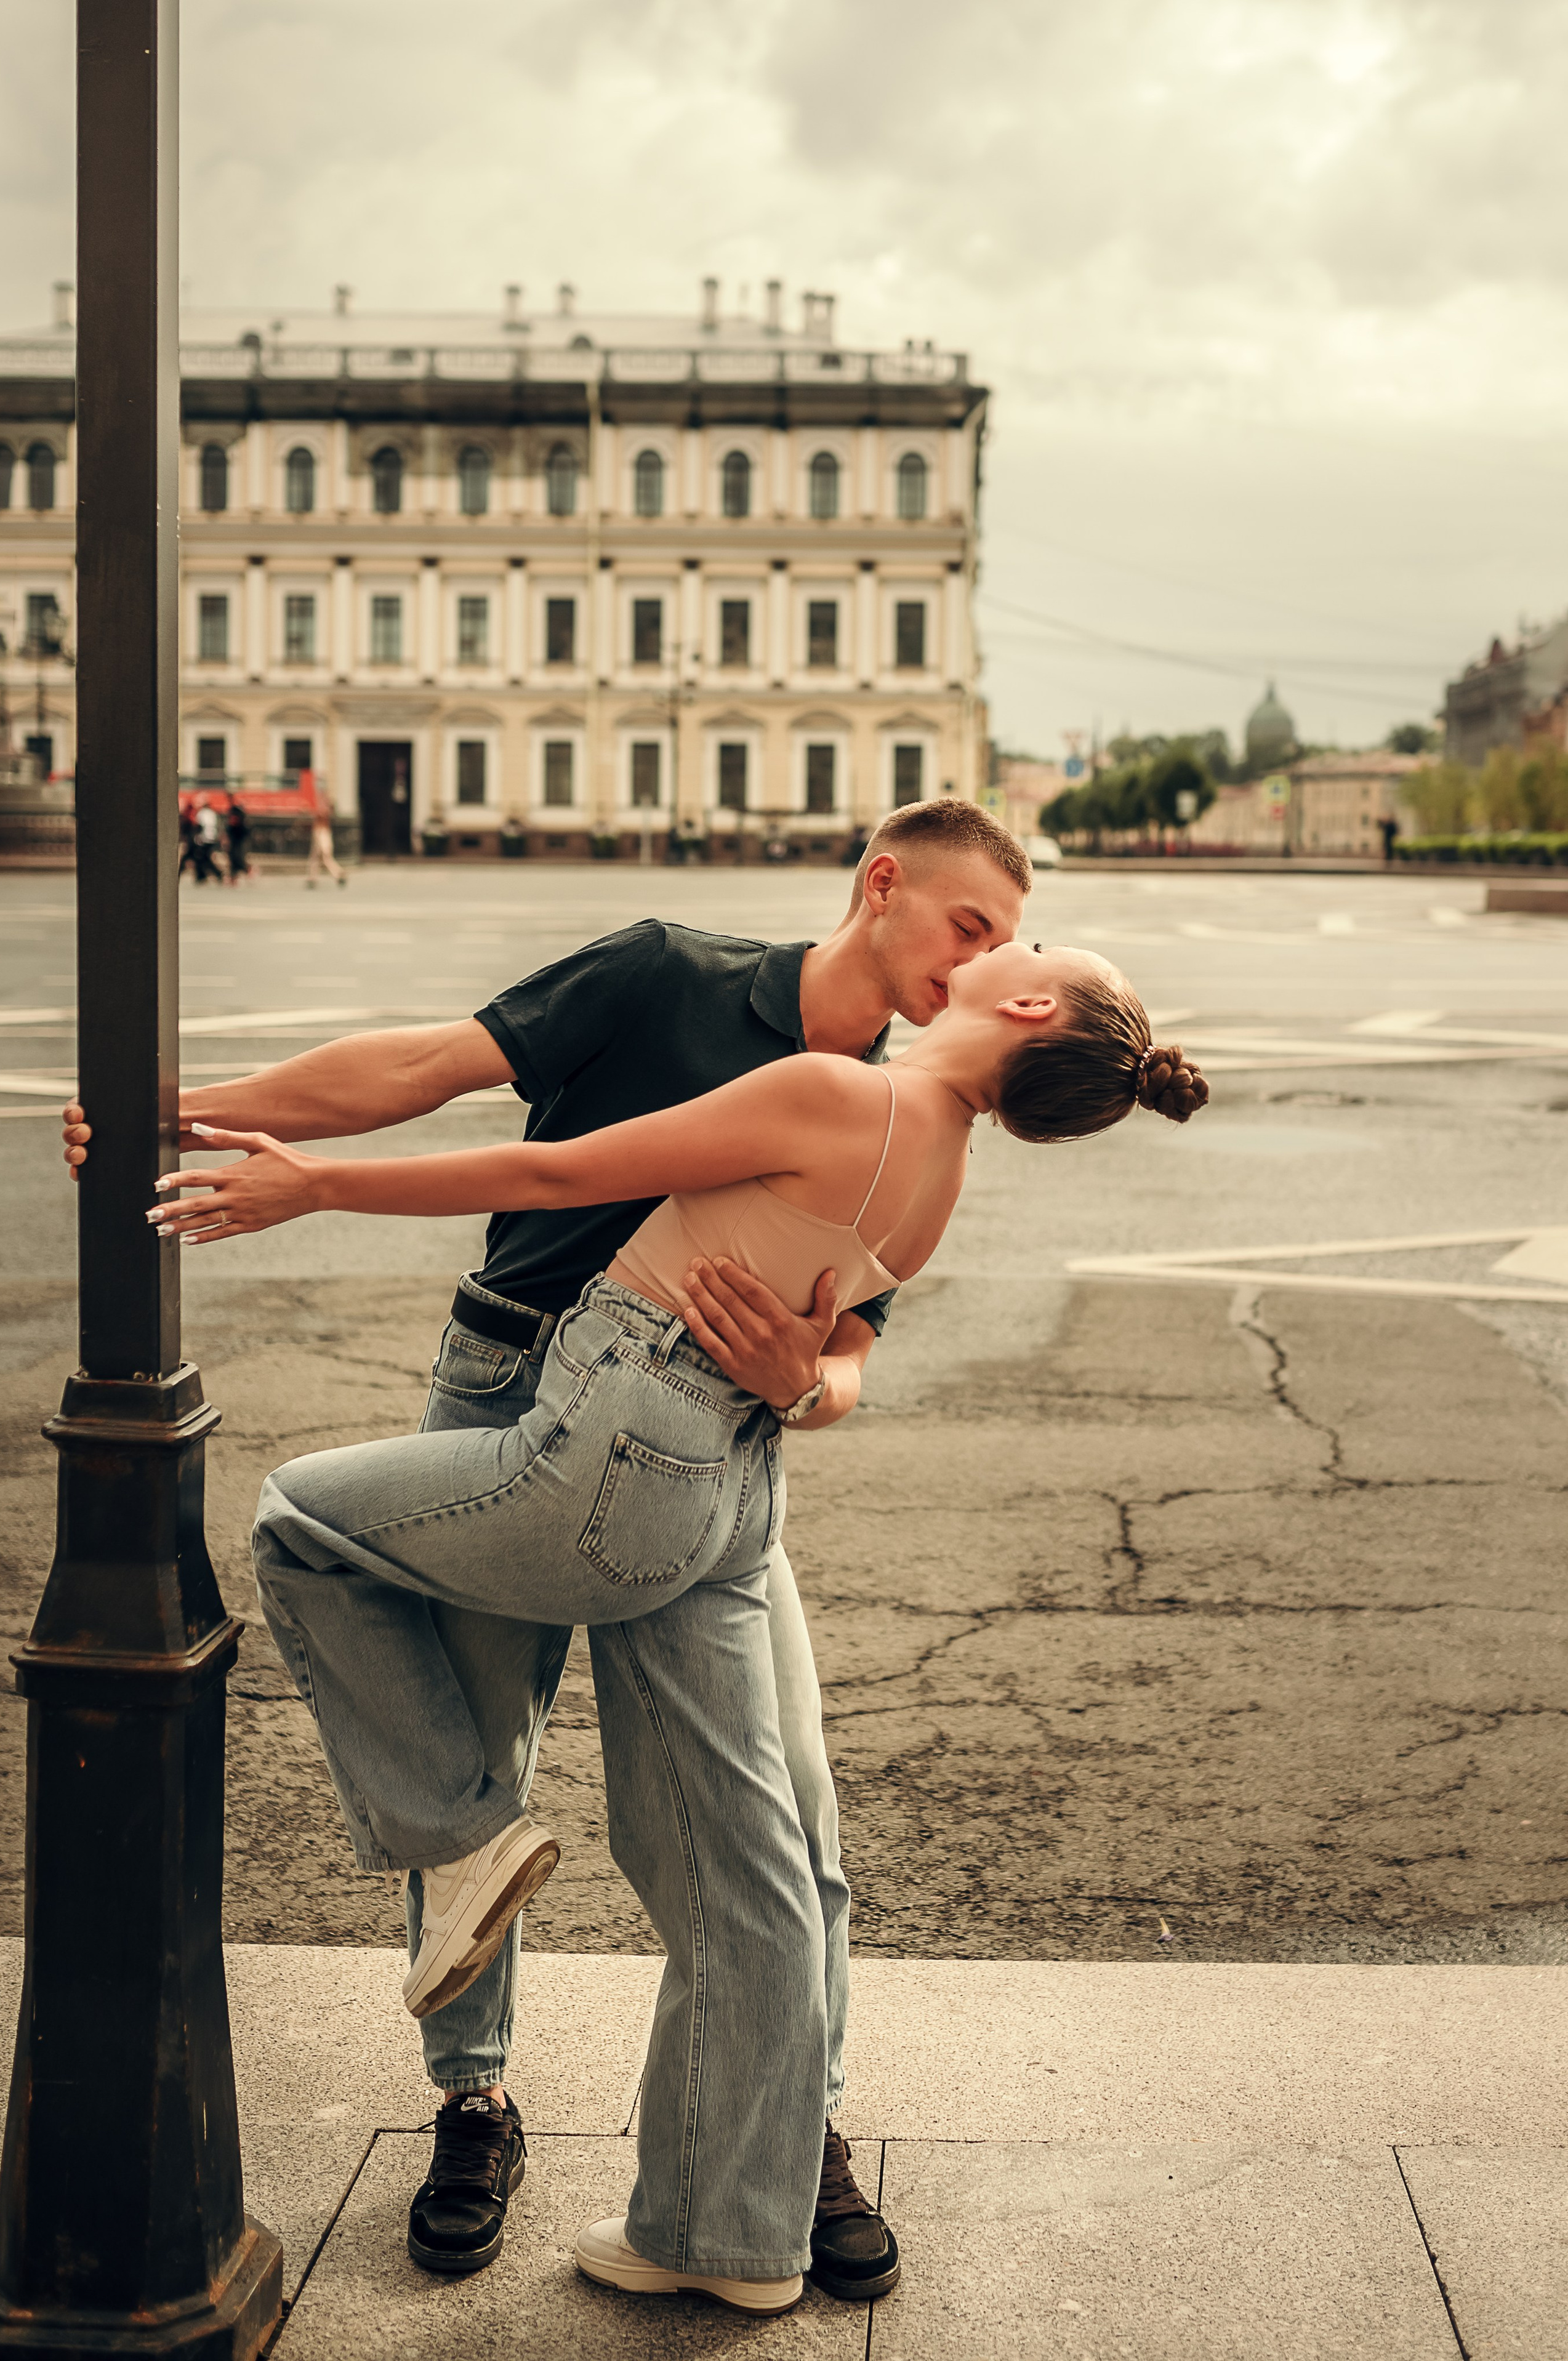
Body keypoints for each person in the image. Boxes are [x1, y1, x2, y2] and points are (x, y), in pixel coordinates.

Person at [62, 800, 1031, 2304]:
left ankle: (781, 2130)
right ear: (884, 883)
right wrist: (183, 1111)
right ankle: (472, 2103)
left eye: (1008, 945)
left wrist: (797, 1377)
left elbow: (849, 1359)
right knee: (473, 1772)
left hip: (705, 1448)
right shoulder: (666, 973)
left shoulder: (891, 1104)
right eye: (971, 926)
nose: (984, 960)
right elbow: (425, 1066)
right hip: (509, 1378)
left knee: (786, 1812)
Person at [305, 779, 346, 887]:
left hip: (322, 831)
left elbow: (323, 813)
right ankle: (312, 878)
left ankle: (338, 873)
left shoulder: (323, 800)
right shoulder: (321, 799)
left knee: (325, 855)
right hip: (319, 830)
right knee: (316, 856)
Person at [190, 794, 225, 886]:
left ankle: (217, 874)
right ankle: (204, 876)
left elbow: (200, 826)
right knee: (205, 857)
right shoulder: (213, 813)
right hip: (212, 838)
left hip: (204, 838)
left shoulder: (201, 813)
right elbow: (218, 826)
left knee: (202, 857)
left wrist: (197, 837)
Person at [223, 792, 253, 886]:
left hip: (238, 839)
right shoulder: (233, 812)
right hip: (234, 838)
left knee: (237, 857)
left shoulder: (237, 812)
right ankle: (234, 877)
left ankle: (247, 870)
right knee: (232, 858)